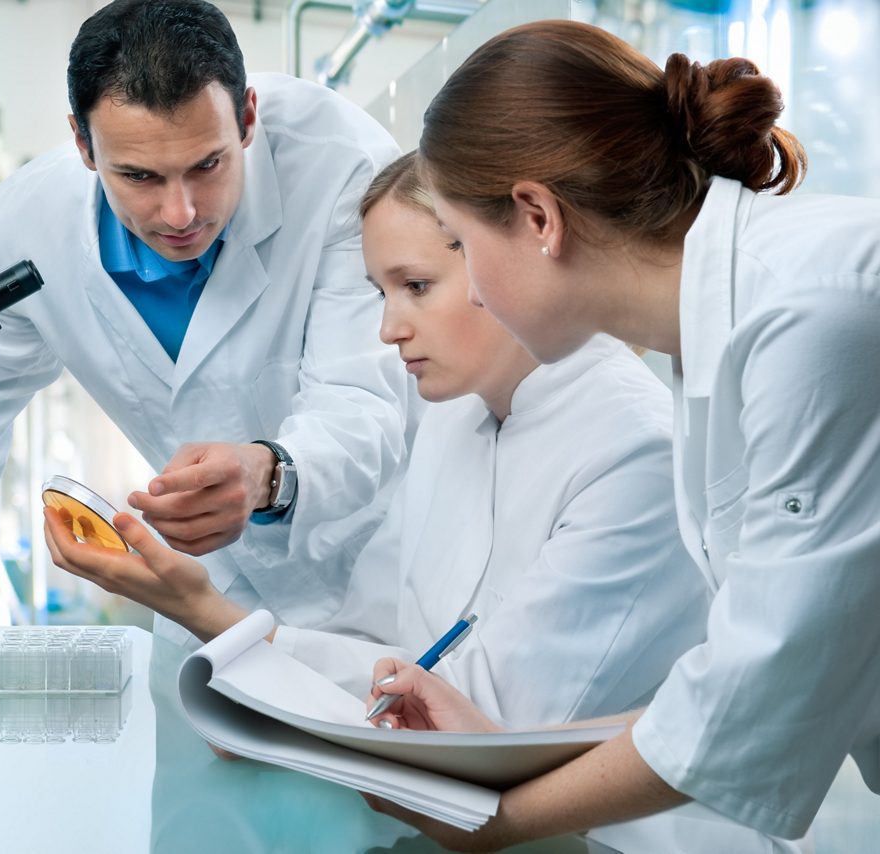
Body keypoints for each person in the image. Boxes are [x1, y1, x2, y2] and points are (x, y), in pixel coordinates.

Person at [362, 19, 880, 851]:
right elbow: (743, 681)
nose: (472, 291)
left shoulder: (809, 311)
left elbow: (759, 694)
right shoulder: (718, 342)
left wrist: (494, 820)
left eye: (461, 243)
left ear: (538, 216)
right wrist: (496, 751)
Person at [44, 150, 709, 739]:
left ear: (509, 256)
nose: (390, 329)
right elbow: (378, 643)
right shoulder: (455, 418)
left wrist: (211, 616)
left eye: (416, 287)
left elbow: (486, 723)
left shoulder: (634, 454)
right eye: (382, 292)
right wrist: (236, 650)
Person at [0, 0, 410, 640]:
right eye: (139, 175)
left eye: (208, 165)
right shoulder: (24, 226)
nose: (180, 212)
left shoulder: (343, 166)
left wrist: (267, 473)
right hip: (208, 583)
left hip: (378, 566)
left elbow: (363, 401)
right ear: (83, 144)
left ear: (248, 117)